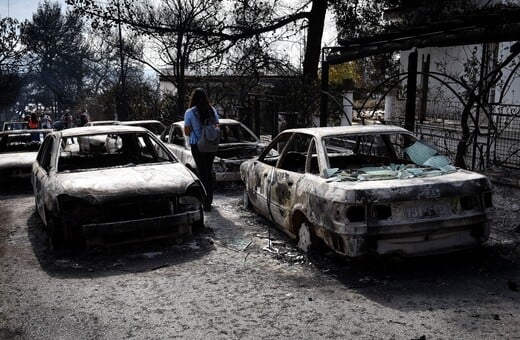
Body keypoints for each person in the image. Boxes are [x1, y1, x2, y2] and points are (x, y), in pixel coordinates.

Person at [184, 88, 220, 211]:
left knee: (202, 173)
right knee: (209, 172)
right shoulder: (212, 110)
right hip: (211, 145)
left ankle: (205, 202)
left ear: (193, 98)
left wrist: (197, 130)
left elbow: (187, 132)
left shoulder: (190, 112)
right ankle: (210, 199)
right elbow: (217, 125)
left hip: (197, 145)